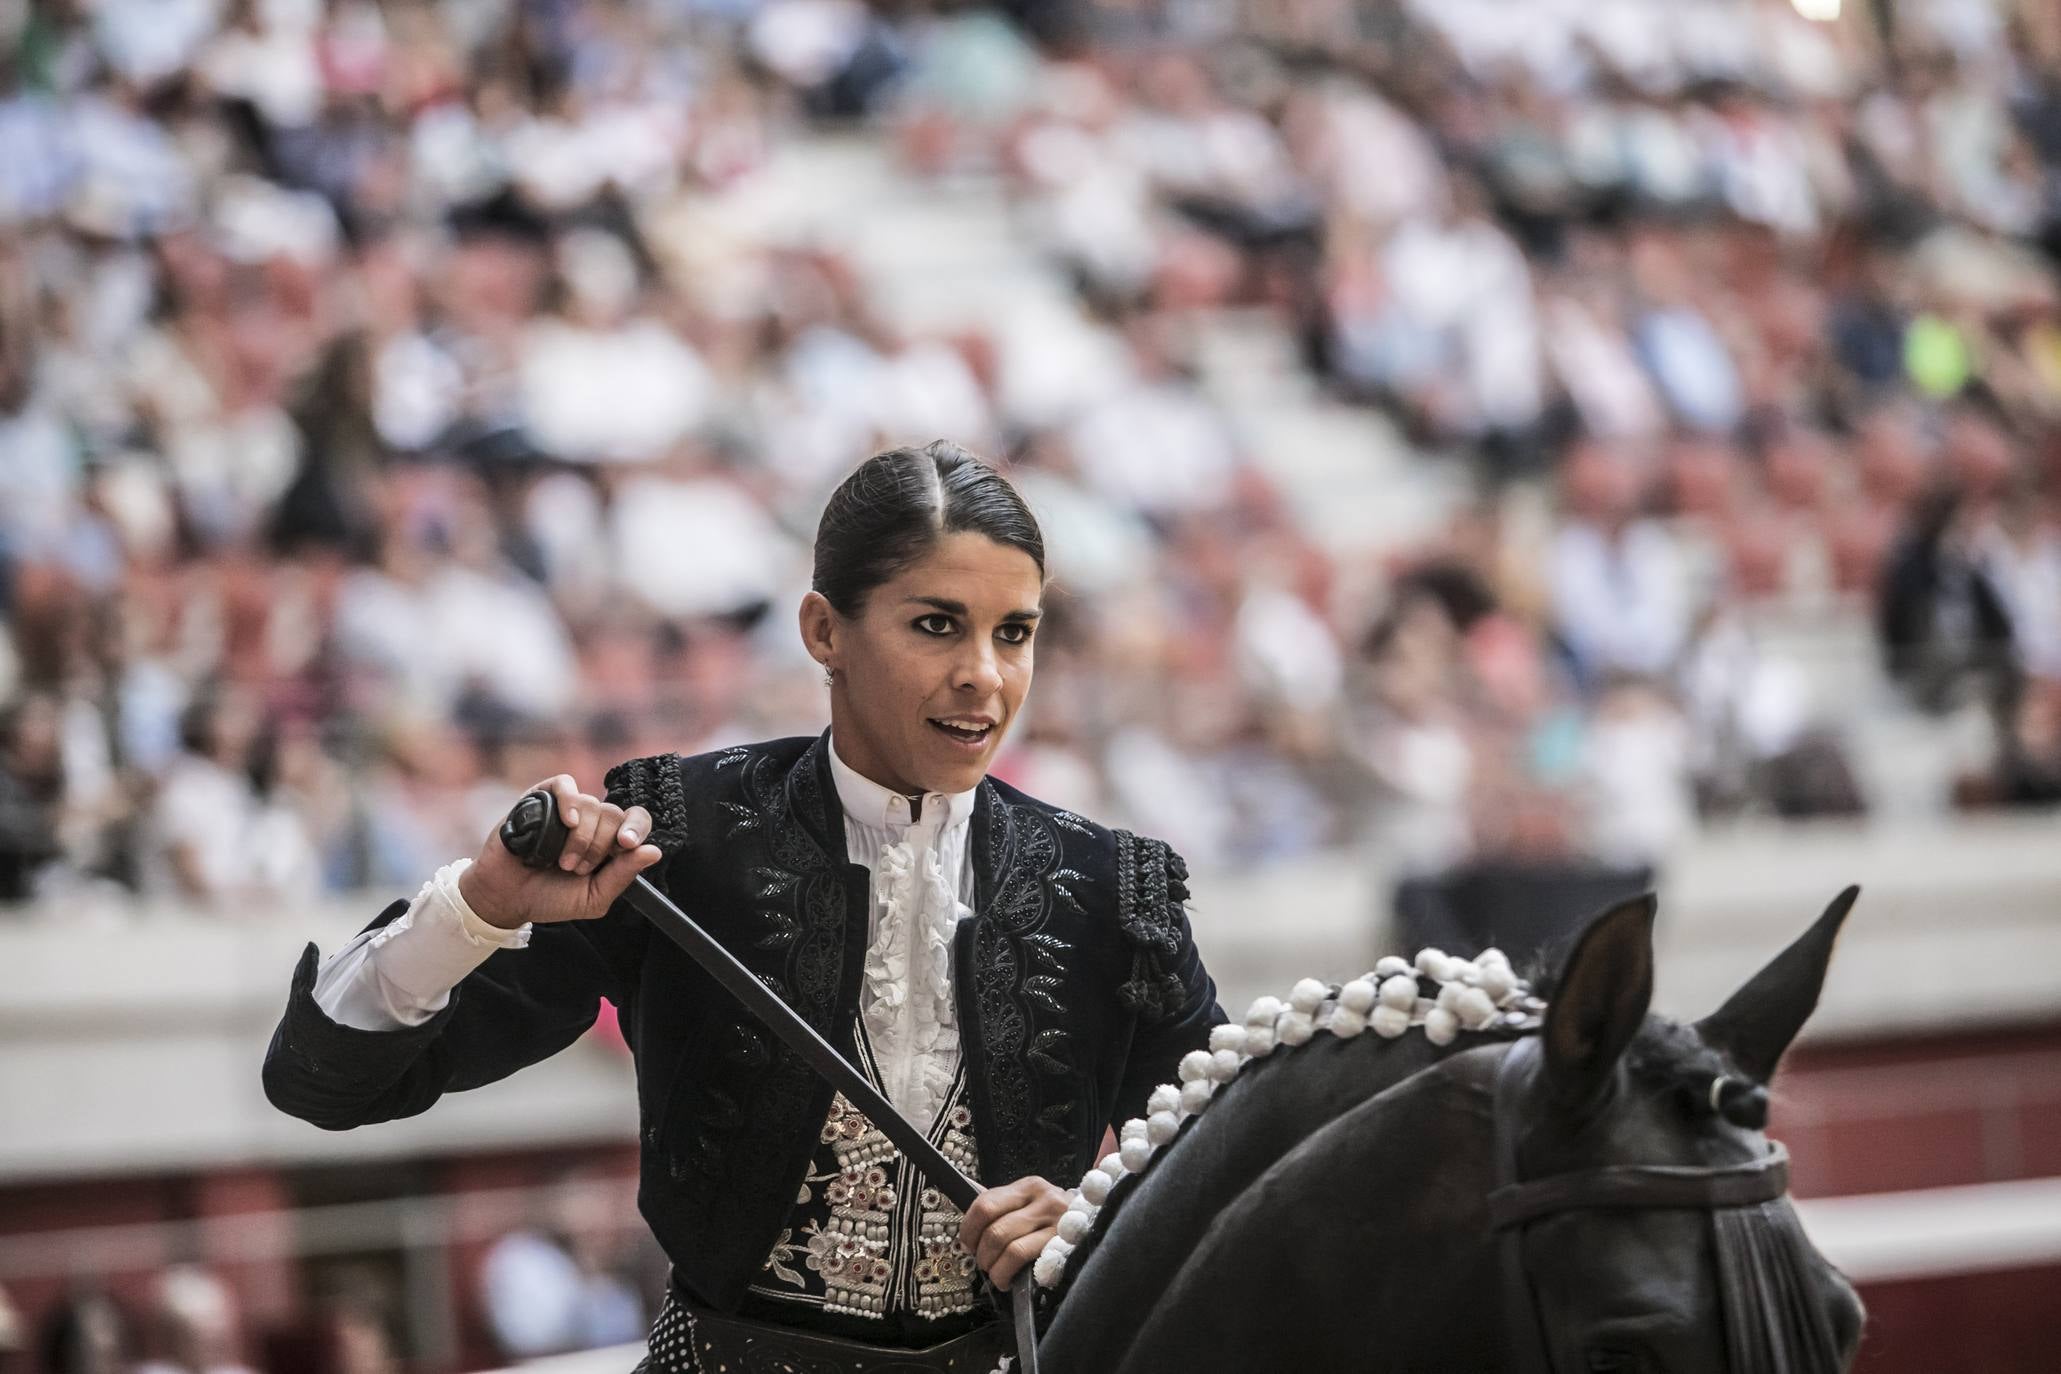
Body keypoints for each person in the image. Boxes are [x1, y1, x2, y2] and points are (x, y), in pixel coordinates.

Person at [262, 440, 1226, 1372]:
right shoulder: (680, 839)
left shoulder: (1111, 889)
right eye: (936, 624)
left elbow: (1225, 1180)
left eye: (1013, 632)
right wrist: (476, 905)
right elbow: (327, 1084)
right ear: (823, 632)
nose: (984, 673)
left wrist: (1097, 1218)